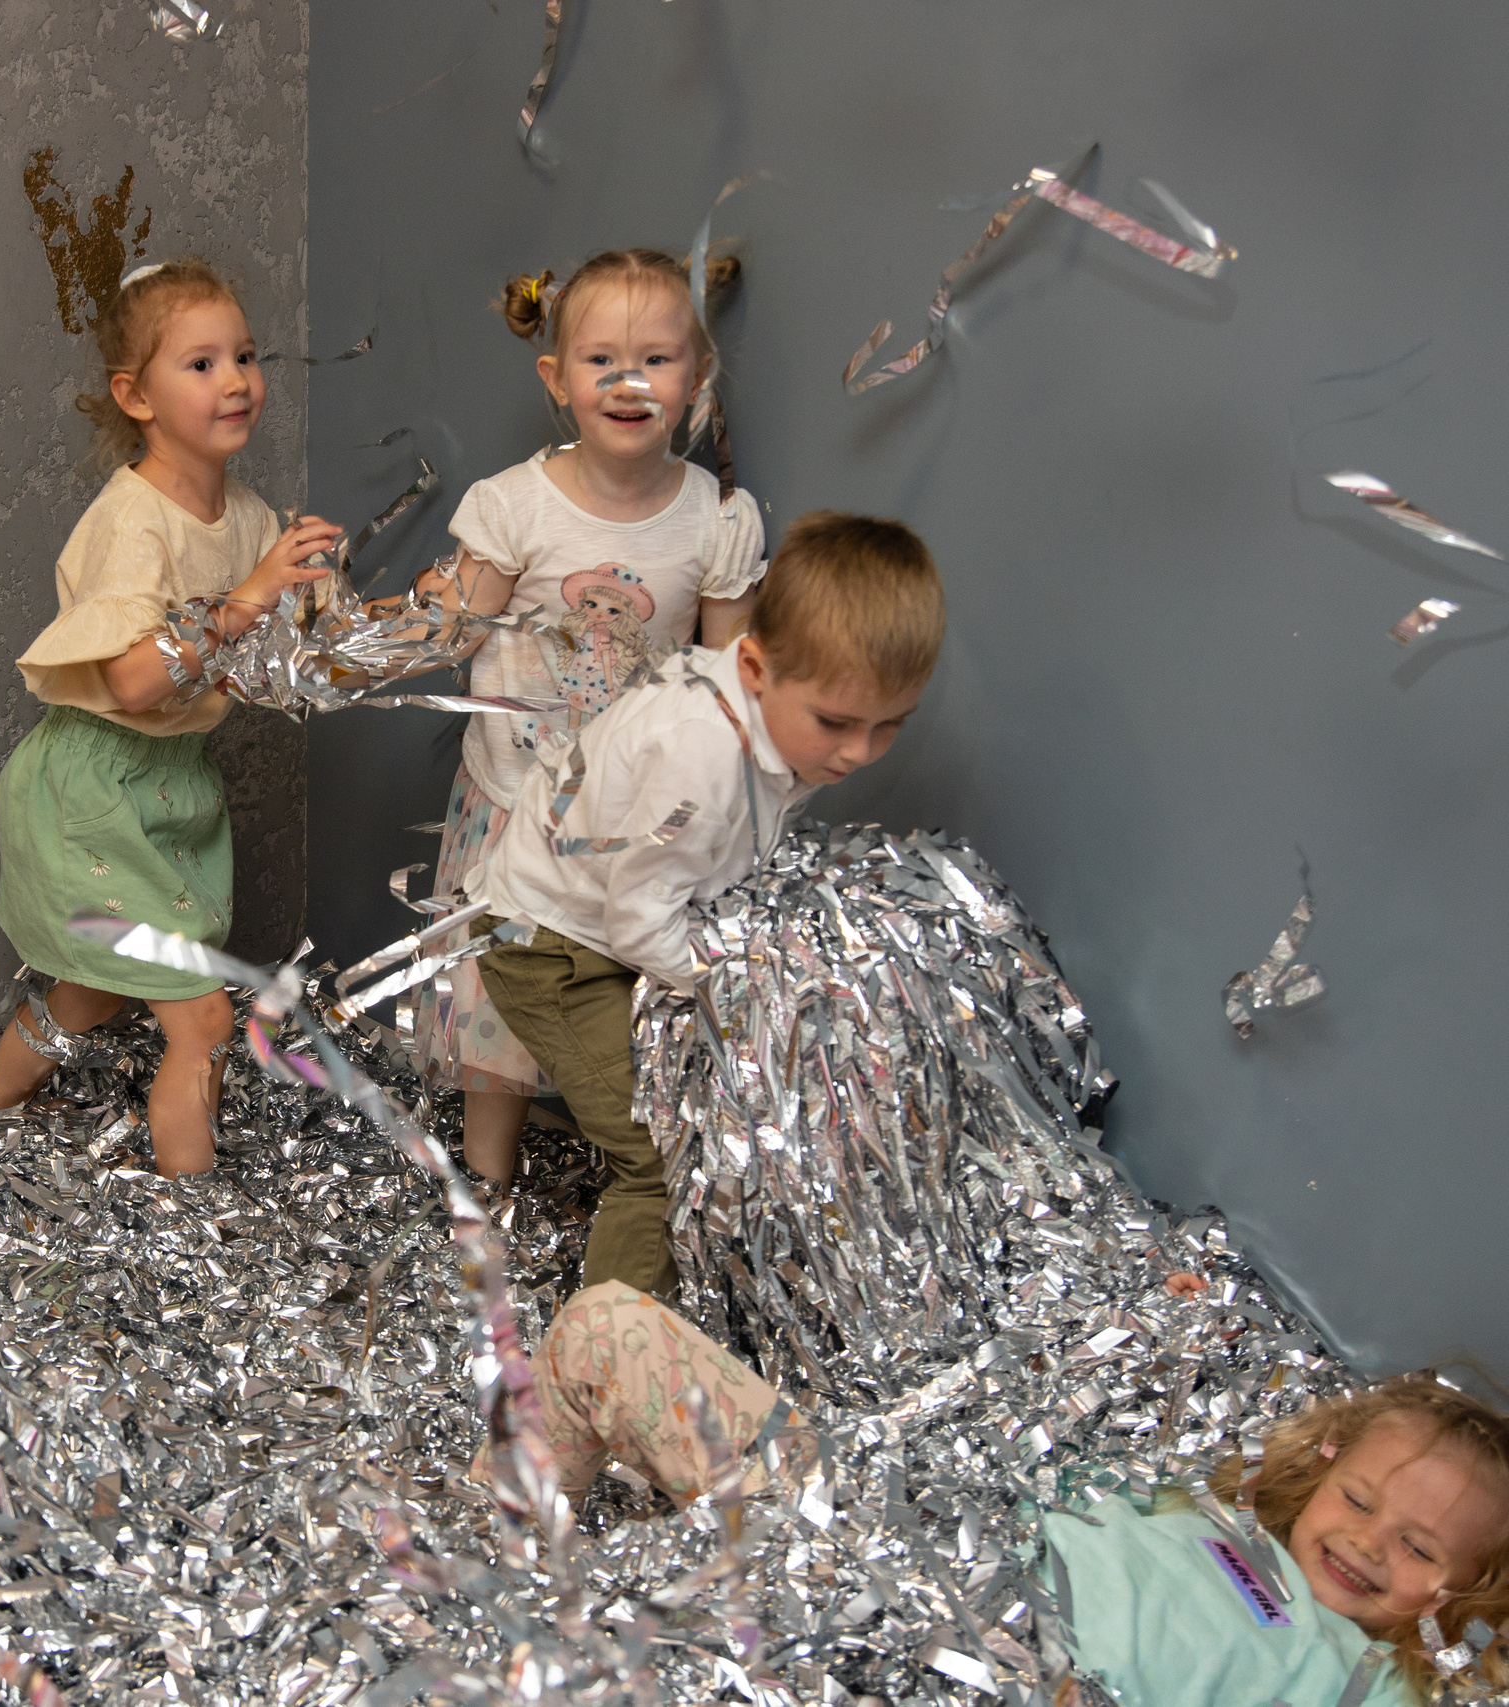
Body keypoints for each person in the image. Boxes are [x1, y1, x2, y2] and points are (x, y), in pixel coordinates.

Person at [532, 1282, 1509, 1705]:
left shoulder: (1368, 1680)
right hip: (876, 1553)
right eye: (1362, 1499)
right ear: (1324, 1470)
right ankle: (506, 1550)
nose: (1370, 1544)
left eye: (1422, 1549)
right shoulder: (1196, 1513)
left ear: (1464, 1598)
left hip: (984, 1683)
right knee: (605, 1327)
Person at [474, 513, 944, 1298]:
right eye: (836, 722)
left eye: (889, 726)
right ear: (754, 667)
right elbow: (639, 921)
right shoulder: (700, 758)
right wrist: (742, 984)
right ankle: (603, 1369)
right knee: (659, 1155)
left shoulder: (760, 723)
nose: (859, 752)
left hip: (618, 922)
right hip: (549, 944)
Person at [404, 249, 767, 1189]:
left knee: (621, 999)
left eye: (656, 358)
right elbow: (449, 633)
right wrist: (408, 609)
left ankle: (635, 1179)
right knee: (499, 1006)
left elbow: (728, 679)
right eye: (602, 359)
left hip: (628, 819)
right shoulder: (513, 505)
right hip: (513, 798)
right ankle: (486, 1180)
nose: (630, 381)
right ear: (556, 380)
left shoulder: (715, 519)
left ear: (696, 379)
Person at [0, 257, 343, 1176]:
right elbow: (137, 685)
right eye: (202, 363)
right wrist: (250, 599)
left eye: (247, 357)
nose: (236, 381)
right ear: (135, 397)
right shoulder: (131, 521)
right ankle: (197, 1219)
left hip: (175, 786)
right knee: (205, 1014)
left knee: (92, 996)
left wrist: (324, 603)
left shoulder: (249, 514)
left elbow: (288, 655)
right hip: (94, 786)